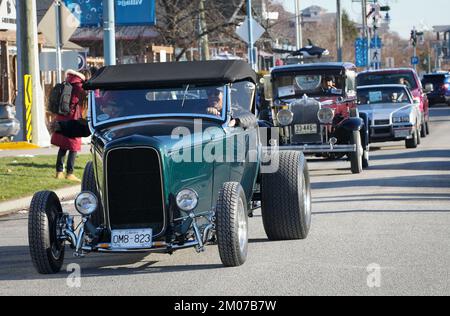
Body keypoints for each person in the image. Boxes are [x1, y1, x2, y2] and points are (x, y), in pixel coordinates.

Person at [50, 69, 90, 182]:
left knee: (63, 146)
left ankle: (59, 172)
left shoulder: (68, 81)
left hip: (62, 116)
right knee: (73, 147)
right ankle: (70, 173)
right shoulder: (79, 86)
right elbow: (90, 95)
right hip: (72, 118)